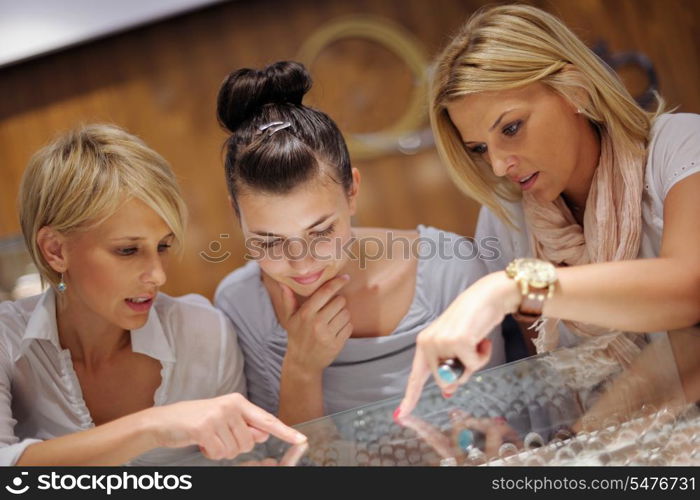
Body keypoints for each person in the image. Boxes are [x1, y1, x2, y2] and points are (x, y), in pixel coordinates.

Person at [397, 4, 700, 417]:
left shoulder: (681, 146)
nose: (500, 166)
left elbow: (688, 291)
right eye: (480, 149)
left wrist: (514, 287)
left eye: (511, 128)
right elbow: (545, 372)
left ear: (574, 88)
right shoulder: (505, 218)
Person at [213, 61, 505, 425]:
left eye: (320, 233)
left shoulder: (450, 268)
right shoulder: (241, 305)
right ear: (236, 215)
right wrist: (301, 369)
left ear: (352, 191)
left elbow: (498, 428)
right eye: (269, 243)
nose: (302, 265)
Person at [0, 124, 306, 466]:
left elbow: (238, 464)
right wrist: (153, 426)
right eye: (128, 250)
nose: (158, 275)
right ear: (55, 250)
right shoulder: (7, 340)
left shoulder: (205, 334)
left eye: (162, 246)